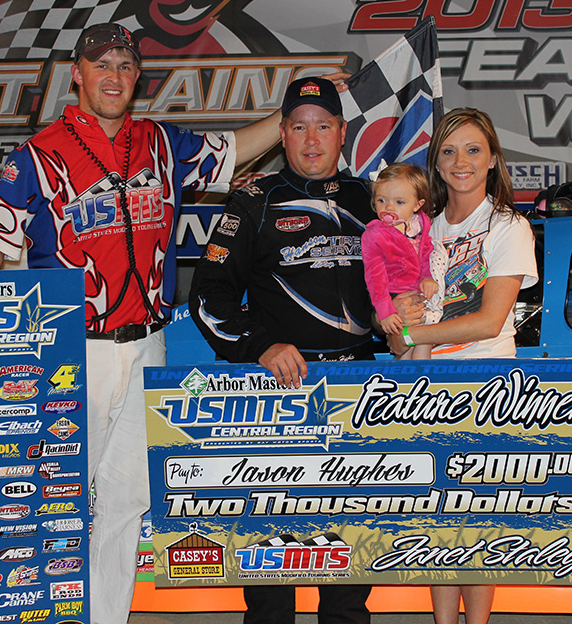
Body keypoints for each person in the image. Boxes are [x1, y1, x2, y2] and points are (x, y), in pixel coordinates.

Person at [0, 22, 289, 624]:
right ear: (77, 73)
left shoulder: (159, 142)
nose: (114, 77)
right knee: (60, 501)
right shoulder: (39, 153)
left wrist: (295, 110)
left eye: (125, 67)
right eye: (101, 65)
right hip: (78, 351)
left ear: (136, 77)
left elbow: (234, 148)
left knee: (128, 500)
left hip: (148, 343)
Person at [189, 76, 374, 624]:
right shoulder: (252, 200)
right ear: (283, 135)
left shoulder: (374, 198)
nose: (311, 140)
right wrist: (262, 345)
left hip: (361, 387)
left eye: (323, 126)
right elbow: (208, 296)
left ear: (342, 133)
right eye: (298, 127)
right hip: (280, 392)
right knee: (273, 554)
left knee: (348, 552)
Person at [388, 108, 538, 624]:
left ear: (494, 158)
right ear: (435, 162)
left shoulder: (509, 225)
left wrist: (411, 332)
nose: (461, 161)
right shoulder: (418, 228)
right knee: (436, 527)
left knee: (479, 527)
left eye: (474, 149)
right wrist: (393, 322)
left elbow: (489, 321)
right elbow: (397, 330)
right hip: (422, 386)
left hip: (485, 387)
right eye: (448, 151)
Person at [361, 162, 442, 359]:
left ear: (417, 204)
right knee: (408, 347)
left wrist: (427, 277)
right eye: (381, 200)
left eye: (399, 202)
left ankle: (418, 384)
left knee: (421, 342)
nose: (388, 208)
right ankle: (413, 383)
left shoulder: (421, 223)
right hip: (394, 297)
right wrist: (385, 311)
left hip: (418, 293)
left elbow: (425, 254)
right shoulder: (375, 235)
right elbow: (374, 277)